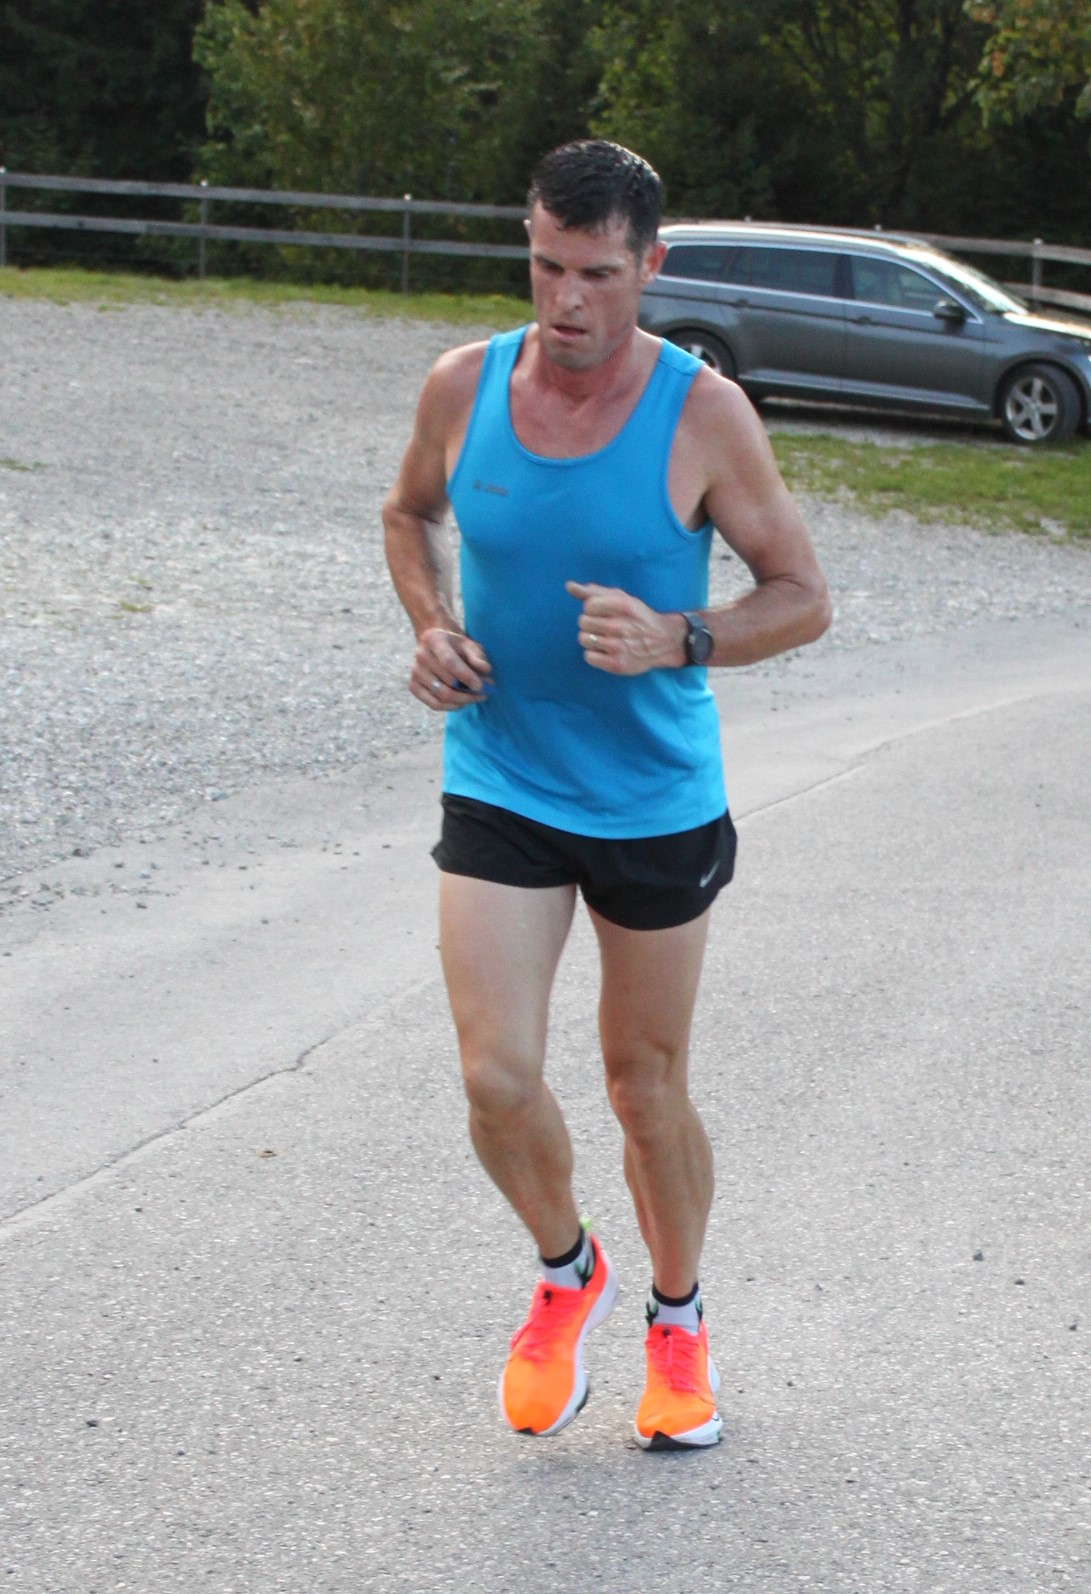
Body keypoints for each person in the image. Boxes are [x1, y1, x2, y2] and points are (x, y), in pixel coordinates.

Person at [383, 139, 830, 1450]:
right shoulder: (463, 386)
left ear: (651, 264)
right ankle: (565, 1267)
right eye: (545, 268)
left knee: (643, 1086)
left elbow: (803, 597)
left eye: (596, 274)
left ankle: (677, 1319)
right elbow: (407, 515)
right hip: (503, 773)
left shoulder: (704, 414)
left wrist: (681, 636)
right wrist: (431, 624)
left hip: (651, 800)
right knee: (496, 1076)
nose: (566, 301)